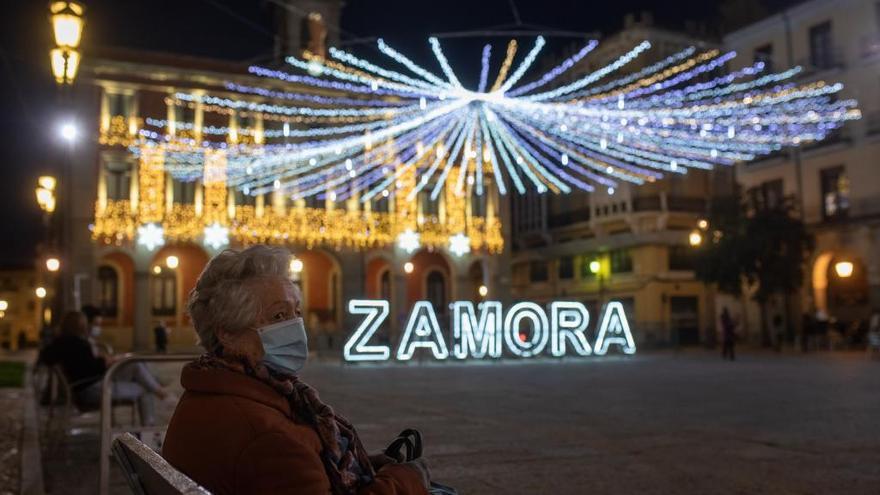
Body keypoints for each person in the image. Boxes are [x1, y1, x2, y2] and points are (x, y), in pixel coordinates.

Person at [163, 246, 430, 495]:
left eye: (297, 312)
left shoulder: (212, 392)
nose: (296, 326)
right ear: (228, 334)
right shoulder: (266, 436)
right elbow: (282, 461)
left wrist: (365, 465)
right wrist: (405, 480)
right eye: (279, 316)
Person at [38, 311, 173, 426]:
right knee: (144, 389)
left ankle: (159, 390)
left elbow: (51, 358)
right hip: (92, 390)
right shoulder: (78, 344)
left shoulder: (62, 342)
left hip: (88, 386)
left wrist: (103, 360)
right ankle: (149, 431)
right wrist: (106, 362)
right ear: (81, 325)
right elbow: (91, 369)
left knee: (134, 364)